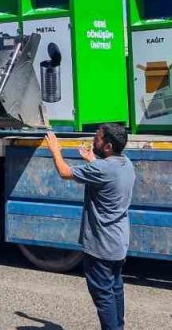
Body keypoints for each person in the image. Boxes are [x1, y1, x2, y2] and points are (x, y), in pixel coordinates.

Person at [44, 125, 135, 330]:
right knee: (115, 289)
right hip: (118, 244)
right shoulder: (126, 164)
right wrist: (92, 159)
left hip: (101, 246)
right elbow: (105, 173)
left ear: (108, 146)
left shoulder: (101, 169)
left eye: (97, 138)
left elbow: (64, 172)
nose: (94, 140)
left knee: (103, 296)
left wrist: (55, 150)